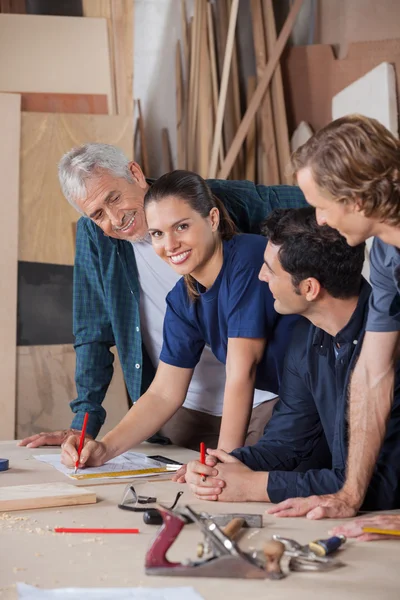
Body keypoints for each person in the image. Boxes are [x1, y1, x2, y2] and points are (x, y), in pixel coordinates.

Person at [18, 144, 307, 451]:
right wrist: (90, 433)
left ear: (135, 173)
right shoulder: (181, 299)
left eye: (114, 198)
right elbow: (96, 336)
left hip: (268, 399)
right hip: (186, 405)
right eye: (98, 214)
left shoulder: (240, 249)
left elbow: (320, 201)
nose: (116, 219)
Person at [184, 207, 400, 513]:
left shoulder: (387, 345)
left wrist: (253, 487)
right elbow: (288, 443)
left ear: (309, 288)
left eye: (270, 271)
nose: (260, 276)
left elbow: (382, 485)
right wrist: (222, 466)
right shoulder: (306, 337)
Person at [266, 114, 400, 526]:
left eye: (322, 206)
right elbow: (373, 373)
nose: (320, 220)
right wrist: (349, 495)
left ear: (356, 200)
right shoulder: (385, 256)